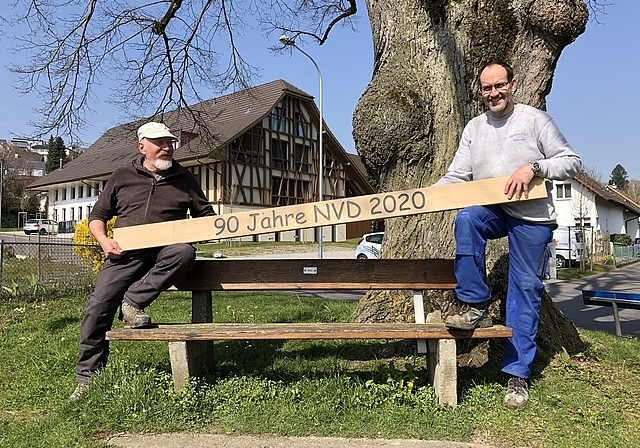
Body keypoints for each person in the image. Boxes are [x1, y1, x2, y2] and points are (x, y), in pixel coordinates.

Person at [435, 61, 581, 408]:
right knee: (467, 218)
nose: (494, 94)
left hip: (532, 218)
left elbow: (572, 161)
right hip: (494, 209)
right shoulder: (474, 128)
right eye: (487, 88)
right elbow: (458, 175)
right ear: (481, 91)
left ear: (512, 85)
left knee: (524, 290)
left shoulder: (534, 120)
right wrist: (425, 196)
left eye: (499, 86)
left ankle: (517, 376)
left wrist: (534, 168)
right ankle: (474, 303)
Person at [70, 122, 215, 400]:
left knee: (184, 252)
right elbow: (97, 216)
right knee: (98, 306)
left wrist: (215, 228)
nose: (167, 148)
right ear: (142, 147)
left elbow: (206, 215)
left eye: (169, 143)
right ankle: (87, 378)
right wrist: (104, 241)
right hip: (125, 254)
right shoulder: (122, 175)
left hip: (165, 253)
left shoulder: (185, 178)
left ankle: (132, 301)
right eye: (159, 143)